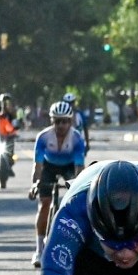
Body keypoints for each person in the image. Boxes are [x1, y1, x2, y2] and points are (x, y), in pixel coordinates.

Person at [27, 100, 88, 266]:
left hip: (69, 166)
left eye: (65, 121)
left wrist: (78, 188)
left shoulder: (76, 139)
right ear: (51, 121)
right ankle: (39, 250)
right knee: (44, 204)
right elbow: (37, 166)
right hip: (49, 166)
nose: (61, 125)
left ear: (70, 121)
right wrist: (34, 185)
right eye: (57, 121)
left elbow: (79, 168)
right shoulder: (43, 137)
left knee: (74, 205)